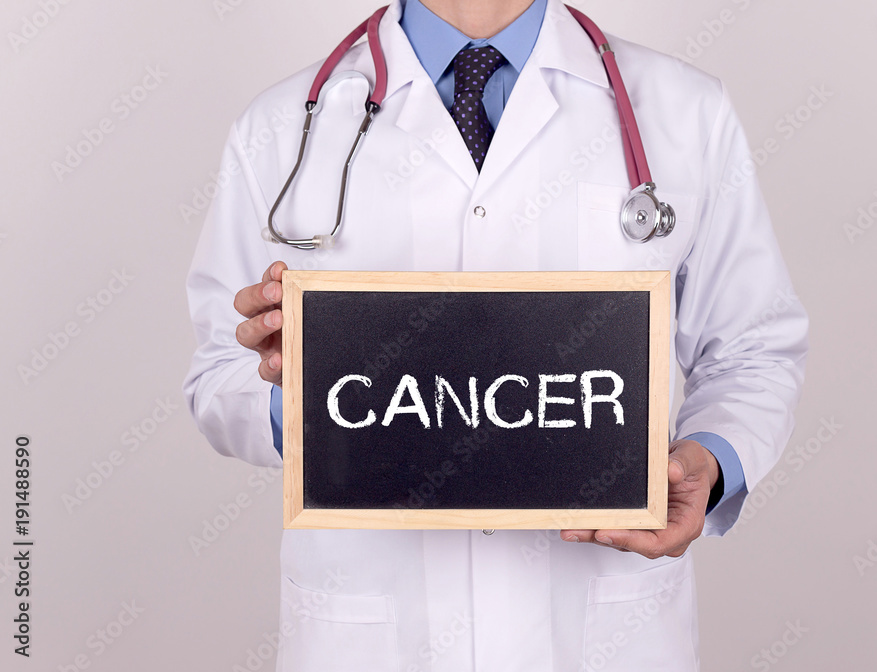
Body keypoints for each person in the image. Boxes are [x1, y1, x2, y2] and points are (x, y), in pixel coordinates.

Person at [183, 0, 808, 669]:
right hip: (373, 638)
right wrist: (310, 406)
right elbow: (220, 371)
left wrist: (708, 463)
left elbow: (753, 348)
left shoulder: (685, 110)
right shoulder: (280, 127)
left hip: (604, 634)